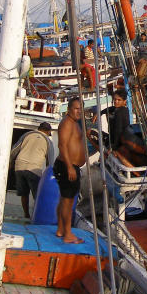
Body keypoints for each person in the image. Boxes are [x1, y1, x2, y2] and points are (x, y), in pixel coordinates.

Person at [55, 97, 86, 243]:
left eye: (81, 109)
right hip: (67, 166)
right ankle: (68, 234)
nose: (79, 111)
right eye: (76, 108)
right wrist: (69, 167)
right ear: (68, 109)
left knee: (64, 199)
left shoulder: (75, 123)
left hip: (71, 166)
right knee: (68, 201)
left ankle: (61, 230)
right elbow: (62, 145)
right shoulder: (67, 123)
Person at [10, 121, 54, 219]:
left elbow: (15, 149)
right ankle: (36, 216)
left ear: (39, 129)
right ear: (48, 131)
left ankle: (26, 215)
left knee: (24, 193)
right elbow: (50, 161)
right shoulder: (47, 140)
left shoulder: (27, 135)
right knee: (37, 195)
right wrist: (48, 175)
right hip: (34, 168)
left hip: (19, 166)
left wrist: (10, 163)